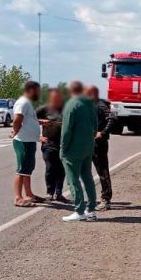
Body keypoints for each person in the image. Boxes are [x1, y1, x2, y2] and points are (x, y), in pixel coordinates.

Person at [59, 80, 99, 222]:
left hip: (73, 149)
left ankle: (79, 210)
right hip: (88, 147)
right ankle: (92, 209)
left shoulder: (71, 105)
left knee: (73, 180)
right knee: (88, 178)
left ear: (70, 91)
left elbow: (66, 130)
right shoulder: (90, 104)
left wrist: (63, 148)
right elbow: (95, 127)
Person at [10, 80, 44, 207]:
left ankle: (29, 194)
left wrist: (39, 122)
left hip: (29, 141)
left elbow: (29, 120)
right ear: (31, 90)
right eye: (38, 90)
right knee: (22, 169)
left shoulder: (27, 103)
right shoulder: (23, 102)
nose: (39, 93)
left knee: (28, 169)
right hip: (23, 141)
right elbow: (18, 119)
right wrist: (15, 131)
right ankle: (18, 198)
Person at [36, 88, 68, 203]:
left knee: (61, 170)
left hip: (63, 145)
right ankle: (49, 193)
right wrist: (37, 136)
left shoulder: (66, 108)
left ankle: (58, 194)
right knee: (50, 168)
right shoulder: (44, 108)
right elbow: (29, 120)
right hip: (49, 144)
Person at [85, 84, 113, 211]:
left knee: (102, 171)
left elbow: (112, 118)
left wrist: (102, 133)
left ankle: (106, 199)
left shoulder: (100, 105)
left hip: (98, 143)